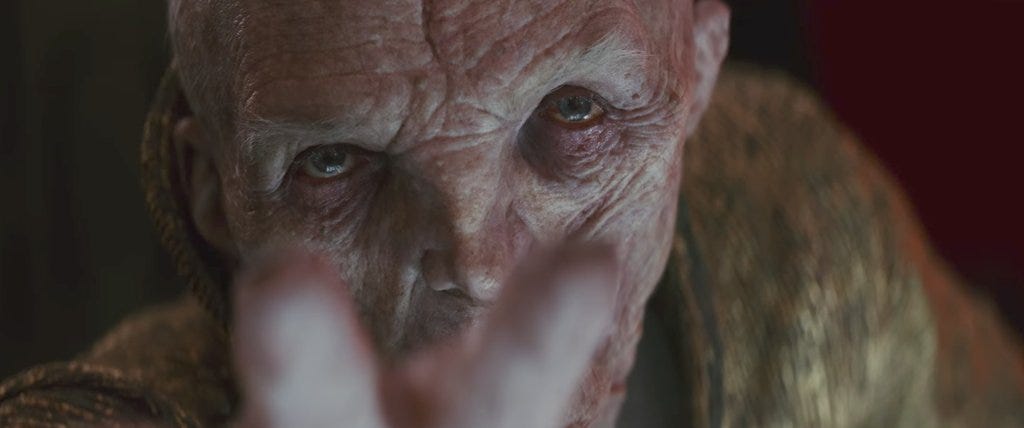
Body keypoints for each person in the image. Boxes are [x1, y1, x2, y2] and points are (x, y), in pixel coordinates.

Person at [2, 0, 1022, 426]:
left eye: (574, 113)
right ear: (214, 193)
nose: (478, 267)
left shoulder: (796, 216)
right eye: (332, 163)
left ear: (700, 70)